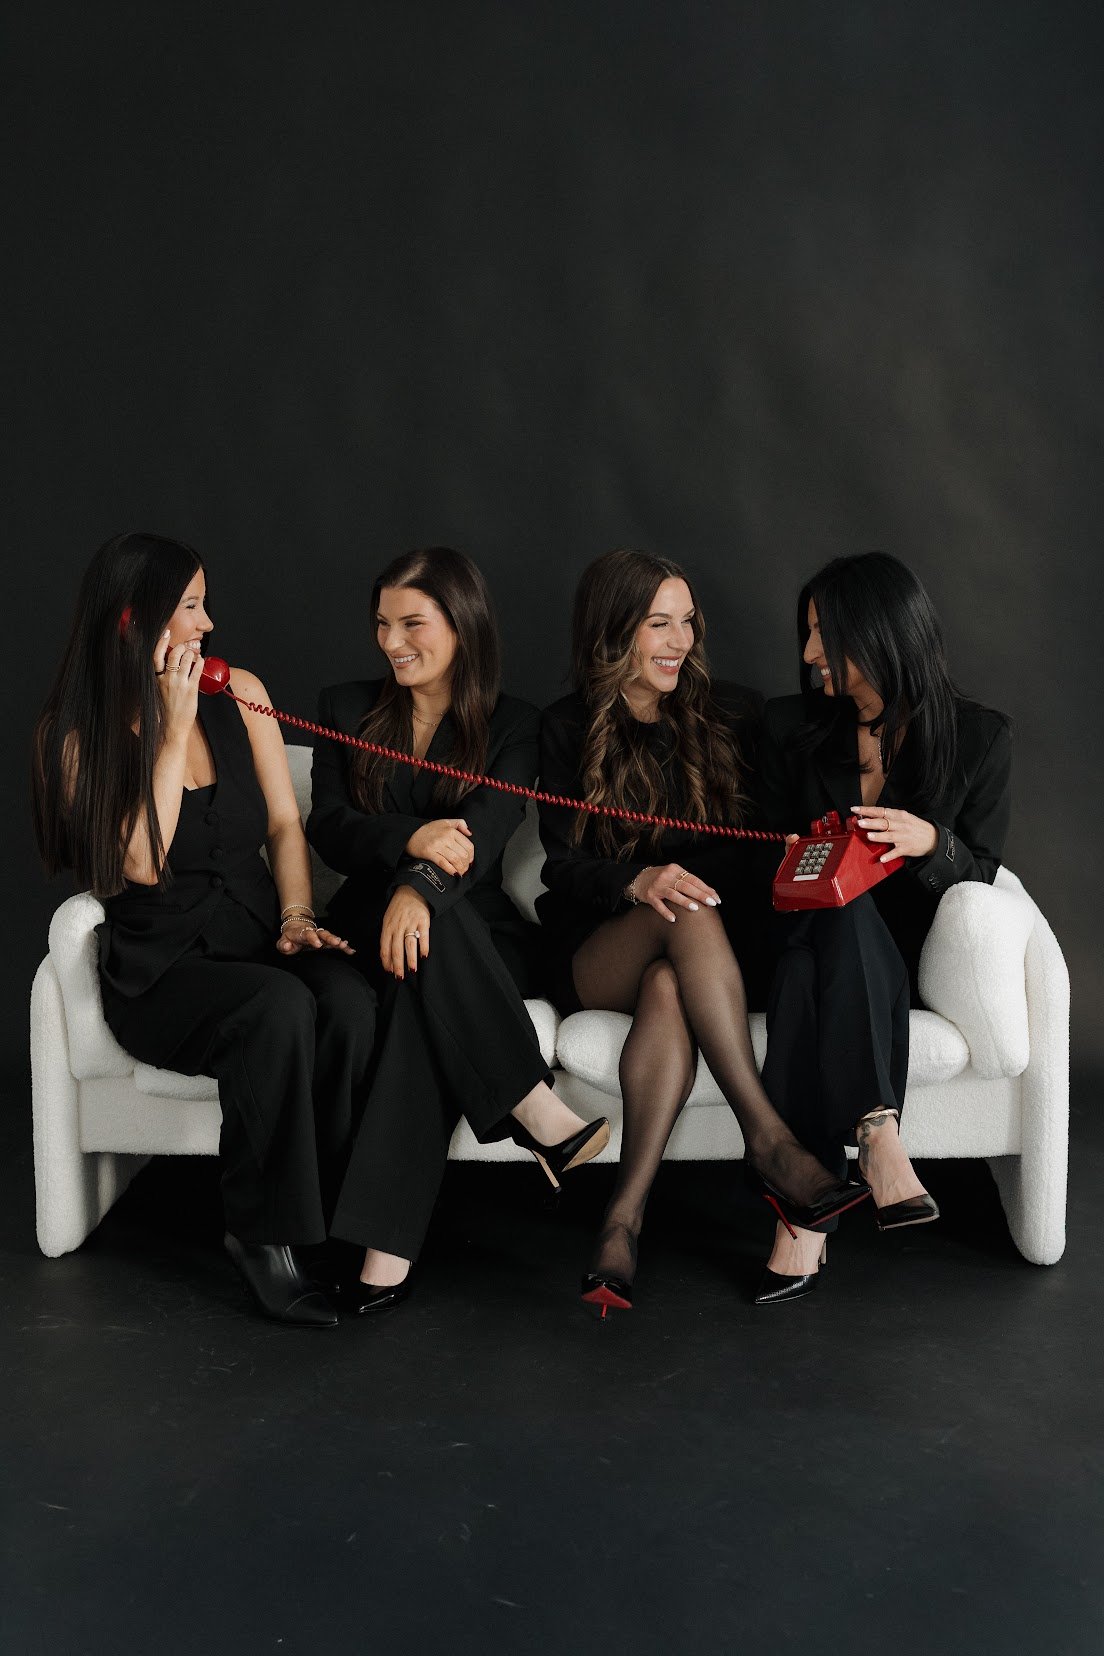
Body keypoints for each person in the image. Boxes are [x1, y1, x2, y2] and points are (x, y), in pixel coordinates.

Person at [32, 532, 376, 1327]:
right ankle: (262, 1238)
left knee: (350, 1001)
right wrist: (167, 726)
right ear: (132, 622)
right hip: (161, 973)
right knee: (276, 1010)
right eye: (189, 607)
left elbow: (286, 825)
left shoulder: (242, 693)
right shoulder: (76, 738)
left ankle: (319, 1214)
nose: (207, 623)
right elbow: (143, 863)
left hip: (256, 937)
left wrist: (296, 916)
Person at [537, 549, 865, 1316]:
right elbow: (562, 865)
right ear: (614, 631)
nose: (680, 641)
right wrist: (637, 880)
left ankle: (622, 1220)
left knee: (671, 972)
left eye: (688, 622)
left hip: (699, 941)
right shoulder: (566, 727)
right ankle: (771, 1141)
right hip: (597, 944)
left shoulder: (734, 715)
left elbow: (770, 832)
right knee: (675, 916)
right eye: (659, 623)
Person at [306, 547, 609, 1314]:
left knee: (424, 956)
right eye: (382, 624)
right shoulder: (343, 707)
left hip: (478, 931)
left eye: (412, 623)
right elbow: (334, 829)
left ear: (463, 625)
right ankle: (534, 1110)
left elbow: (484, 830)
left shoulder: (516, 726)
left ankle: (385, 1244)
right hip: (371, 928)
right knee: (413, 985)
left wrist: (419, 892)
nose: (391, 641)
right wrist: (409, 852)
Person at [754, 551, 1012, 1304]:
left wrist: (934, 842)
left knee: (819, 965)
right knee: (822, 927)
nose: (807, 657)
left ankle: (803, 1222)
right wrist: (809, 860)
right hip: (788, 931)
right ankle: (878, 1135)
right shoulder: (788, 725)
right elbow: (756, 851)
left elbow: (985, 871)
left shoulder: (979, 737)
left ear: (879, 636)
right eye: (805, 635)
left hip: (890, 955)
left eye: (822, 636)